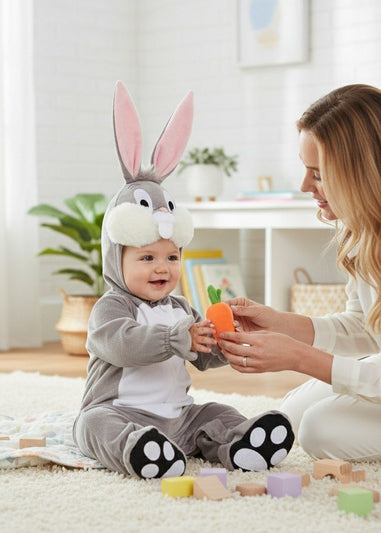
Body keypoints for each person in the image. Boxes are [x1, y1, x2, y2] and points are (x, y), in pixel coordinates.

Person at [72, 81, 294, 479]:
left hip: (179, 417)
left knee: (216, 412)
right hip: (121, 412)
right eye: (147, 258)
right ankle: (140, 451)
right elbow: (122, 345)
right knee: (91, 425)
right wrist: (178, 338)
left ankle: (244, 443)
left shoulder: (181, 308)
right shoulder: (111, 307)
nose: (163, 268)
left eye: (172, 257)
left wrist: (223, 341)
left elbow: (201, 357)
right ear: (116, 259)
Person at [218, 84, 381, 463]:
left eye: (318, 174)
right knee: (289, 415)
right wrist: (280, 323)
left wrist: (300, 358)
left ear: (363, 174)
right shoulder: (363, 232)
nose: (305, 186)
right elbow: (364, 327)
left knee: (320, 430)